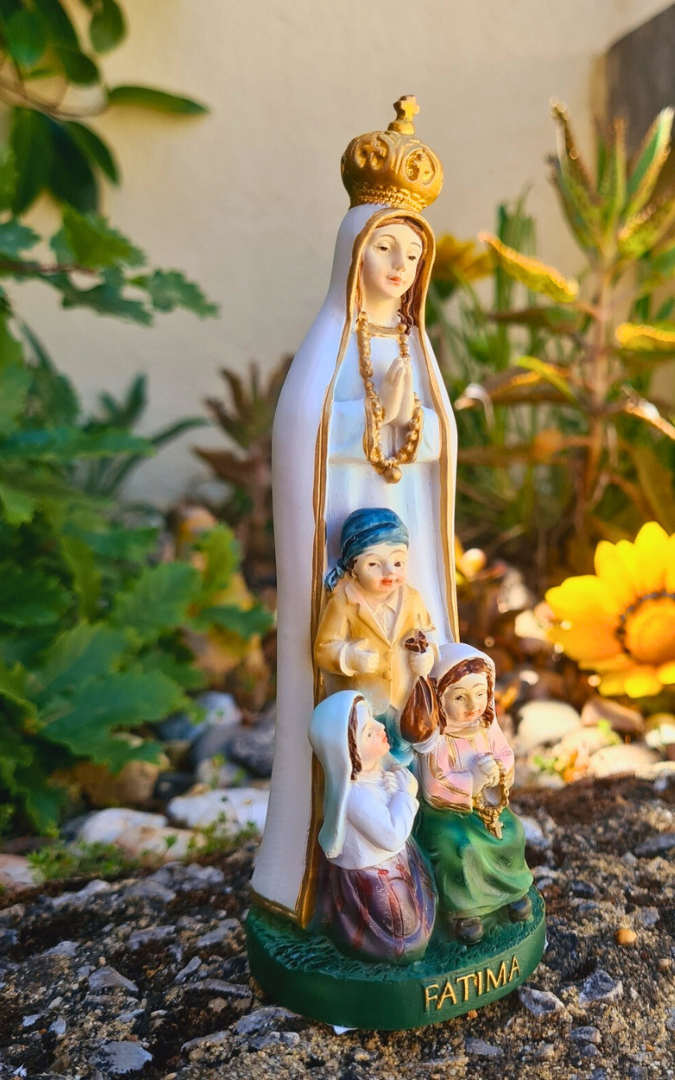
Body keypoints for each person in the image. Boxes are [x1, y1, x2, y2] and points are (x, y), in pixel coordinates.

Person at [253, 97, 458, 924]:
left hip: (403, 529)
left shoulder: (413, 345)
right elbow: (302, 428)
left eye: (413, 251)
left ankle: (427, 841)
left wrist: (414, 430)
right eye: (385, 247)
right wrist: (371, 427)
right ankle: (337, 864)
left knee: (415, 703)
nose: (400, 264)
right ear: (354, 249)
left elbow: (440, 440)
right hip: (341, 521)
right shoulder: (331, 345)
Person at [405, 644, 533, 945]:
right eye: (459, 697)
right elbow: (435, 785)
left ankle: (513, 893)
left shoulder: (487, 728)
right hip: (447, 815)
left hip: (487, 807)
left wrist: (497, 772)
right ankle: (467, 912)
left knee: (512, 832)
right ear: (441, 698)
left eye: (480, 693)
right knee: (462, 847)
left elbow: (505, 756)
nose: (472, 705)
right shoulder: (437, 740)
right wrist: (472, 781)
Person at [308, 690, 436, 964]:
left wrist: (395, 788)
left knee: (419, 912)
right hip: (374, 879)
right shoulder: (354, 795)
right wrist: (405, 794)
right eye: (368, 733)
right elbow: (391, 835)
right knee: (406, 940)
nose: (380, 728)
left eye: (373, 720)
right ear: (349, 752)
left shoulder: (376, 772)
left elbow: (393, 789)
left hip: (400, 865)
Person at [314, 507, 435, 758]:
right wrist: (349, 657)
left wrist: (428, 656)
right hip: (365, 702)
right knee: (367, 755)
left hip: (404, 701)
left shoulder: (411, 599)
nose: (390, 572)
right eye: (374, 564)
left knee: (403, 754)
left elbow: (427, 639)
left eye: (398, 562)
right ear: (353, 567)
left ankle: (403, 783)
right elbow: (323, 649)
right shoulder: (343, 602)